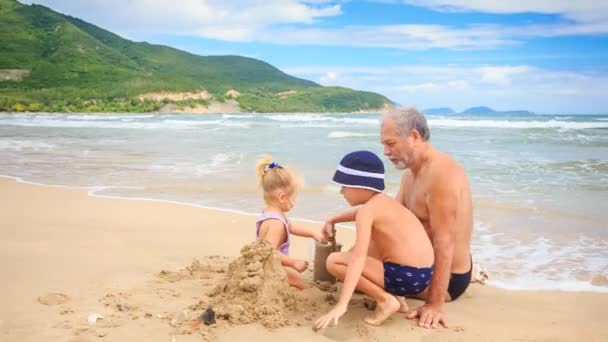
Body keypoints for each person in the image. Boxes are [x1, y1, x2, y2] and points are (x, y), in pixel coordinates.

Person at [314, 150, 434, 331]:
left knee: (334, 261)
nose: (341, 191)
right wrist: (333, 220)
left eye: (345, 186)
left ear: (362, 185)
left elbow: (358, 259)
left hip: (404, 276)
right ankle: (399, 300)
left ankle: (385, 300)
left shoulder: (367, 212)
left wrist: (342, 304)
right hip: (423, 275)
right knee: (382, 241)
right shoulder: (384, 202)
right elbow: (358, 213)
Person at [380, 107, 474, 329]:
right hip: (424, 265)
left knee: (353, 273)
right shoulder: (409, 175)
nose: (385, 151)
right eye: (383, 144)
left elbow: (445, 241)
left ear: (414, 137)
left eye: (390, 144)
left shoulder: (441, 174)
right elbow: (390, 219)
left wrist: (434, 303)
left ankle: (441, 293)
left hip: (450, 280)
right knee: (356, 264)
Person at [255, 155, 324, 289]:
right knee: (299, 285)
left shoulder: (271, 214)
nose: (294, 203)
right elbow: (270, 252)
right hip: (270, 267)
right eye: (294, 198)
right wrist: (294, 263)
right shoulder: (276, 224)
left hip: (269, 265)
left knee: (295, 280)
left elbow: (290, 227)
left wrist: (312, 233)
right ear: (282, 197)